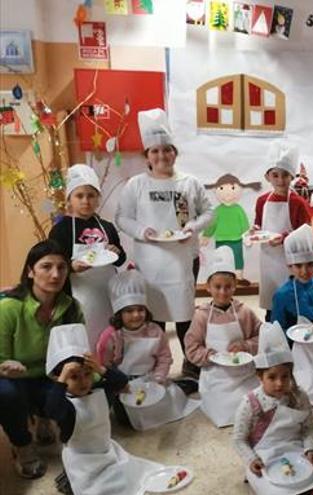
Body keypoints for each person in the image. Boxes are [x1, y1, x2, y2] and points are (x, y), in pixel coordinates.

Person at [116, 108, 214, 381]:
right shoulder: (136, 185)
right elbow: (122, 217)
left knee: (185, 316)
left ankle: (192, 365)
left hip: (183, 259)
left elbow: (208, 212)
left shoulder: (189, 183)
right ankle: (151, 366)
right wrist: (141, 230)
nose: (161, 156)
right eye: (155, 151)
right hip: (150, 261)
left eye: (166, 150)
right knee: (153, 318)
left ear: (174, 152)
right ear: (147, 155)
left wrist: (192, 227)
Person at [44, 323, 166, 494]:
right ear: (60, 379)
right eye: (74, 377)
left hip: (106, 453)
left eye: (87, 374)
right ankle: (69, 480)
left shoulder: (101, 391)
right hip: (82, 463)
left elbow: (122, 382)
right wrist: (62, 377)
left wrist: (100, 368)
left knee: (129, 479)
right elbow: (51, 410)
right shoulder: (66, 406)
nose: (83, 381)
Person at [0, 240, 83, 479]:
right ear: (30, 271)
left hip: (52, 376)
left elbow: (77, 352)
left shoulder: (72, 307)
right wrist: (5, 367)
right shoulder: (8, 308)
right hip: (15, 378)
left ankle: (45, 417)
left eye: (62, 267)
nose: (55, 274)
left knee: (84, 387)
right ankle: (22, 445)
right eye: (46, 267)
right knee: (6, 395)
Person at [96, 269, 200, 430]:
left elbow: (164, 357)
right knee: (126, 419)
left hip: (151, 378)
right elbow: (106, 366)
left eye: (140, 309)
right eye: (129, 311)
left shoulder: (155, 331)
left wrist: (158, 378)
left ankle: (185, 385)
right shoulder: (111, 336)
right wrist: (117, 385)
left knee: (169, 403)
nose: (136, 315)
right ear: (119, 313)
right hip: (125, 383)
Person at [232, 321, 313, 495]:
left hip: (297, 449)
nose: (279, 383)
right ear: (260, 376)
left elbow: (309, 428)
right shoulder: (250, 402)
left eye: (285, 376)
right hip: (264, 457)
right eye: (272, 377)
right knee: (270, 486)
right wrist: (251, 459)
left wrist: (310, 449)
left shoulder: (300, 397)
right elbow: (239, 439)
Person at [48, 164, 126, 349]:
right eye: (79, 195)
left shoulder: (107, 227)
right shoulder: (61, 230)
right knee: (85, 340)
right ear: (69, 199)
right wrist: (71, 267)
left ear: (98, 199)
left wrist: (117, 252)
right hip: (79, 295)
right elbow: (53, 265)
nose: (86, 201)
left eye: (91, 195)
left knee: (109, 337)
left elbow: (121, 259)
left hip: (108, 293)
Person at [185, 247, 261, 427]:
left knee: (256, 405)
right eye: (217, 287)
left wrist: (246, 345)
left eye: (228, 287)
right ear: (207, 287)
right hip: (215, 375)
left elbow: (261, 336)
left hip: (244, 373)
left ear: (235, 286)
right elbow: (191, 347)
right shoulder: (201, 316)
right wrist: (209, 355)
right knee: (223, 410)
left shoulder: (244, 312)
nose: (223, 292)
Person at [274, 224, 313, 403]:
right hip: (297, 352)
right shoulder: (282, 294)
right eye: (298, 266)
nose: (304, 271)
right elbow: (278, 331)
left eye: (310, 265)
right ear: (289, 266)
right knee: (303, 387)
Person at [253, 141, 311, 320]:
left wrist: (284, 237)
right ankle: (271, 332)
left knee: (291, 302)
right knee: (271, 303)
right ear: (267, 176)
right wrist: (254, 230)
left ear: (292, 176)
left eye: (285, 175)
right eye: (275, 175)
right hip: (268, 260)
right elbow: (258, 224)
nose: (280, 180)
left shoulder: (297, 202)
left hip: (290, 262)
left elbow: (306, 232)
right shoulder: (262, 200)